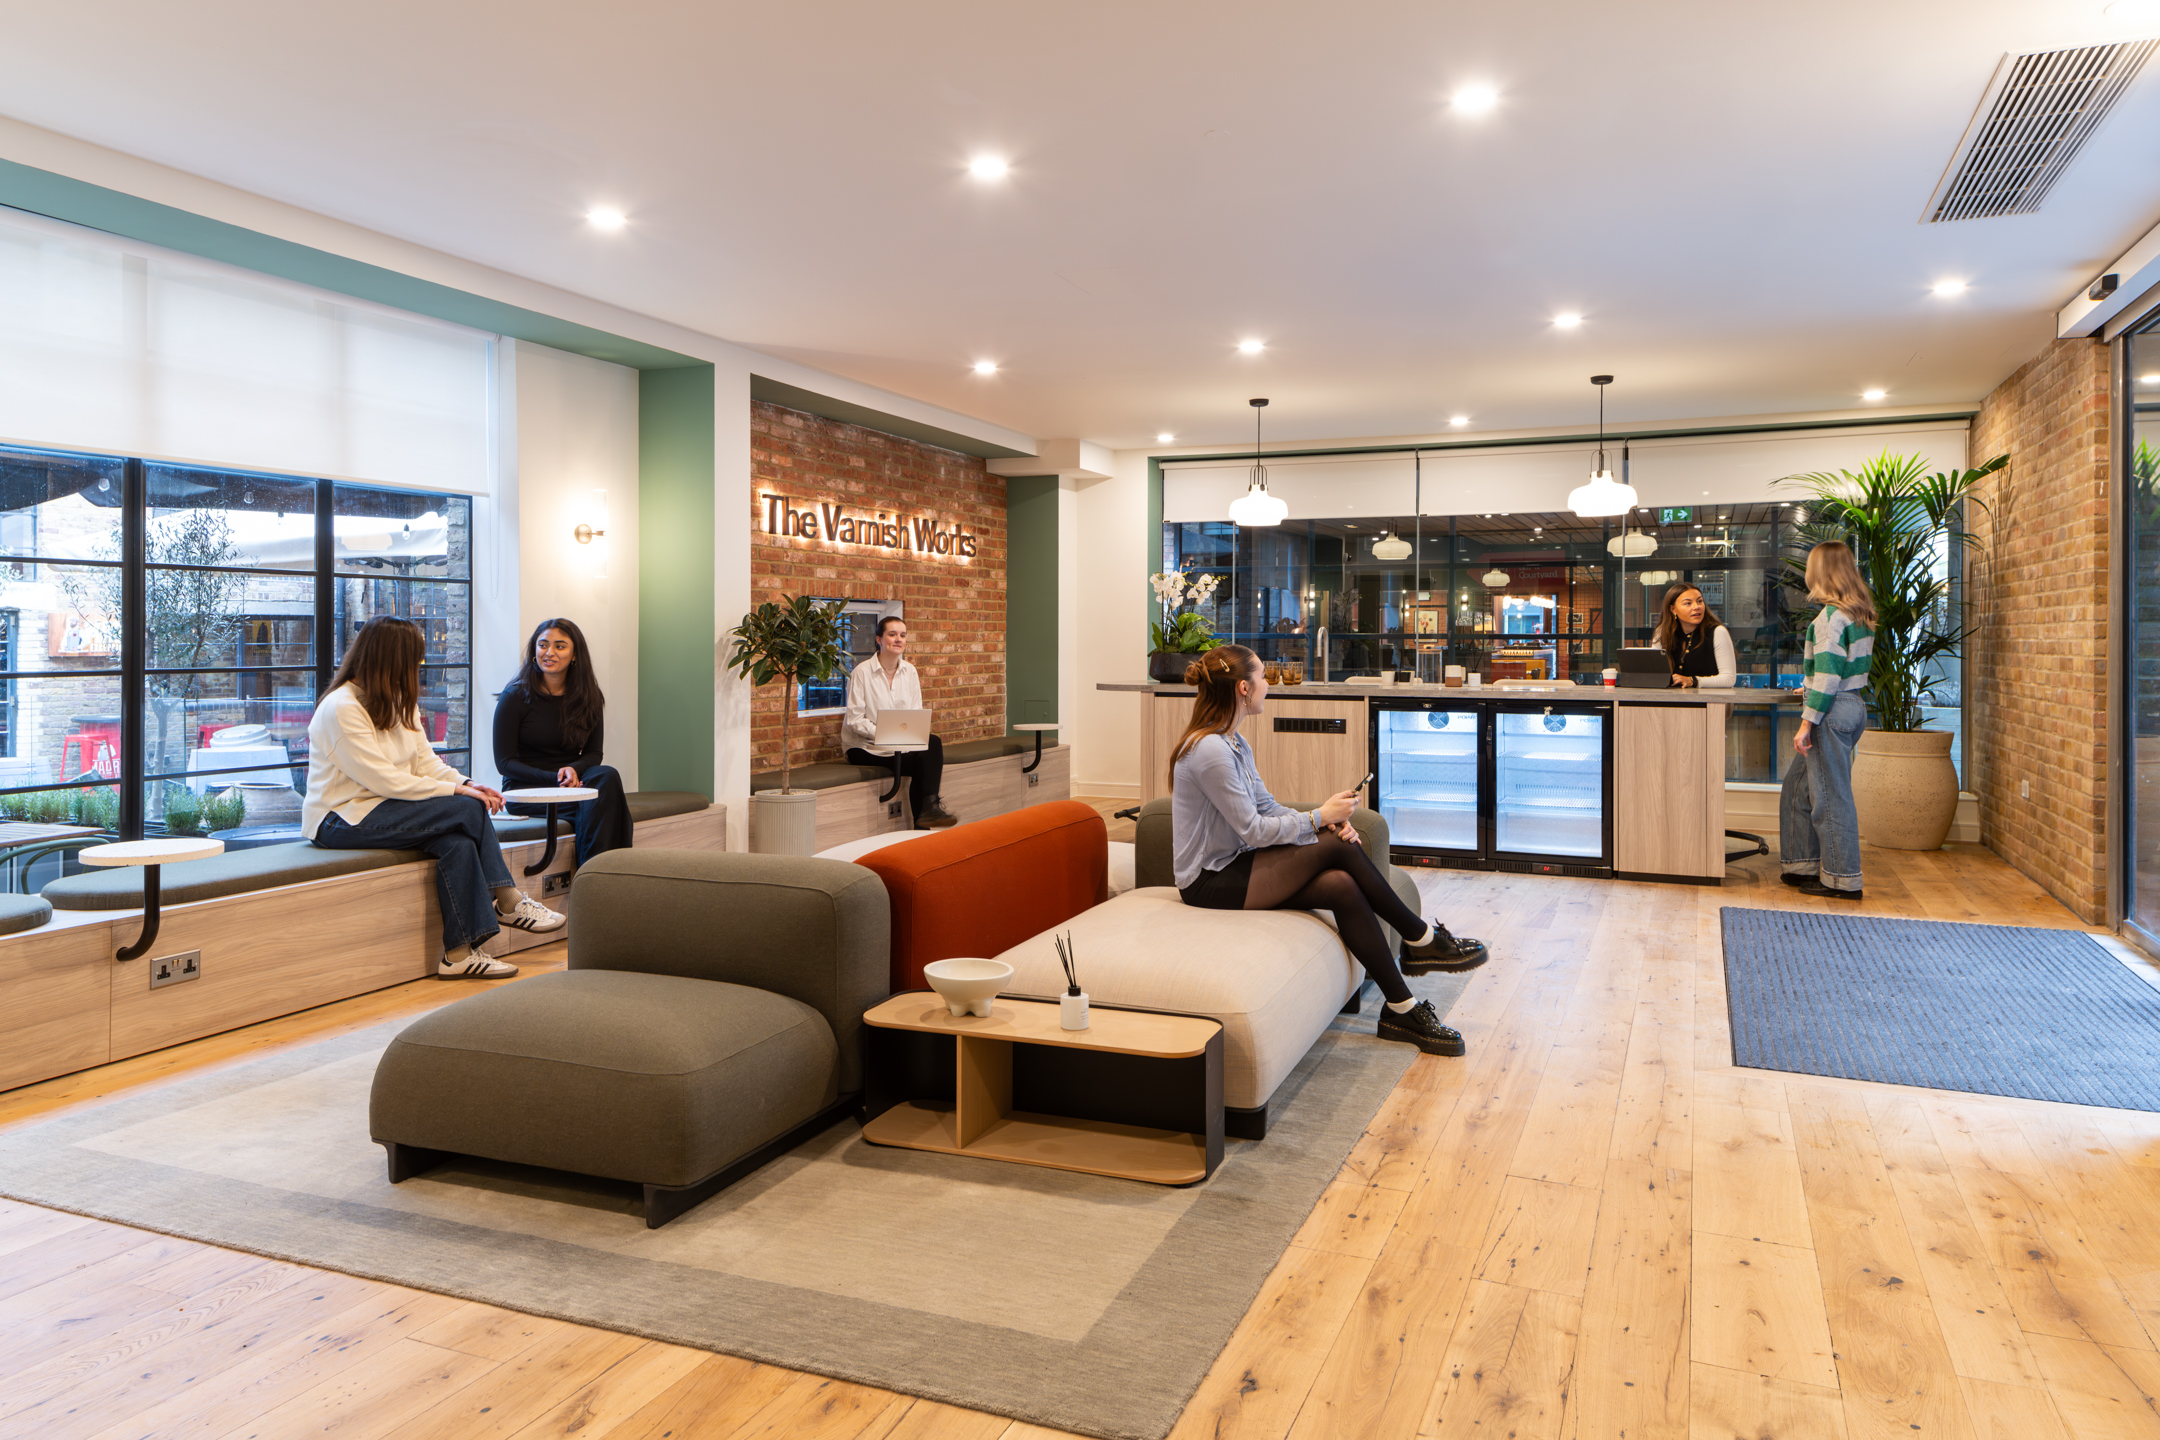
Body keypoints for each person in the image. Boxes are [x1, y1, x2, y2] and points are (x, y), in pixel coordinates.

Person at [1168, 644, 1487, 1057]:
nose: (1269, 684)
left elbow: (1266, 808)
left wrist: (1326, 819)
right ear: (1244, 688)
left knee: (1340, 885)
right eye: (1263, 677)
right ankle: (1420, 938)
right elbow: (1254, 829)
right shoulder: (1210, 750)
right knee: (1336, 849)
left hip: (1238, 865)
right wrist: (1320, 818)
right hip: (1209, 882)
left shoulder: (1234, 744)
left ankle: (1400, 1009)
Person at [306, 616, 565, 979]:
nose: (419, 667)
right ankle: (507, 900)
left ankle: (458, 954)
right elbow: (385, 780)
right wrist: (460, 792)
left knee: (457, 842)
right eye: (415, 659)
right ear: (391, 658)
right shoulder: (342, 708)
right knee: (467, 807)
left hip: (388, 809)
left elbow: (425, 762)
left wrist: (468, 782)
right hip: (340, 818)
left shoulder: (397, 701)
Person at [493, 617, 632, 864]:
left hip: (573, 786)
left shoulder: (589, 697)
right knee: (602, 805)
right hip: (528, 790)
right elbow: (505, 763)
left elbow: (593, 754)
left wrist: (573, 771)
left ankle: (597, 879)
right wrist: (556, 779)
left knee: (607, 776)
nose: (549, 652)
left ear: (575, 654)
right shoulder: (514, 696)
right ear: (534, 651)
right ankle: (600, 880)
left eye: (560, 646)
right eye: (543, 644)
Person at [1780, 541, 1875, 901]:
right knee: (1797, 788)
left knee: (1830, 799)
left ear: (1820, 572)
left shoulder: (1830, 619)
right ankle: (1800, 863)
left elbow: (1828, 679)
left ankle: (1841, 878)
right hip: (1852, 706)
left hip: (1831, 711)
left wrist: (1807, 722)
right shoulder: (1858, 614)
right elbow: (1839, 671)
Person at [843, 616, 957, 828]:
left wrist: (906, 735)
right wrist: (887, 733)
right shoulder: (861, 673)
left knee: (932, 743)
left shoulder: (910, 671)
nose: (898, 639)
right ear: (879, 639)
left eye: (902, 635)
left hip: (900, 745)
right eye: (892, 634)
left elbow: (915, 714)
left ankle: (928, 812)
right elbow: (854, 721)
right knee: (924, 765)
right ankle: (923, 824)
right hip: (866, 747)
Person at [1652, 582, 1737, 689]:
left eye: (1700, 601)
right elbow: (1655, 675)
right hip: (1670, 700)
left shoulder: (1718, 632)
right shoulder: (1662, 632)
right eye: (1688, 603)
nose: (1696, 607)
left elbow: (1729, 679)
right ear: (1673, 609)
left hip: (1710, 702)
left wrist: (1693, 681)